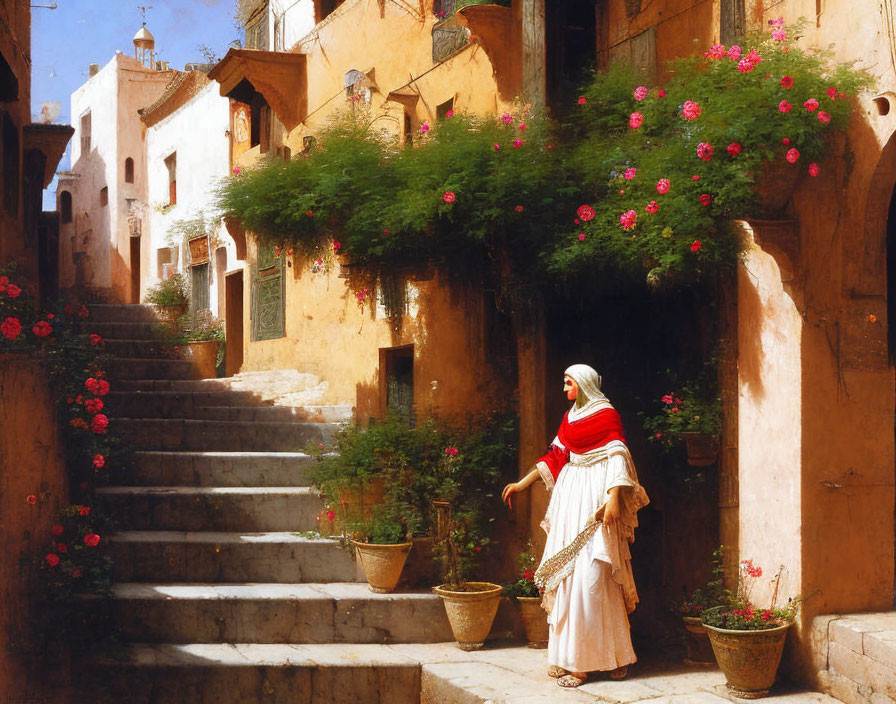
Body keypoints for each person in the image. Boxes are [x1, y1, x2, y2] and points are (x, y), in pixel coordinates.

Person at [502, 364, 648, 688]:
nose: (564, 388)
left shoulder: (605, 413)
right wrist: (522, 484)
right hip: (570, 500)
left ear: (582, 384)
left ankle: (611, 658)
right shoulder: (570, 417)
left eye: (568, 383)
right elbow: (555, 456)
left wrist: (612, 498)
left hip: (595, 497)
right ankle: (570, 659)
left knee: (595, 576)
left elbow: (619, 456)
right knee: (569, 578)